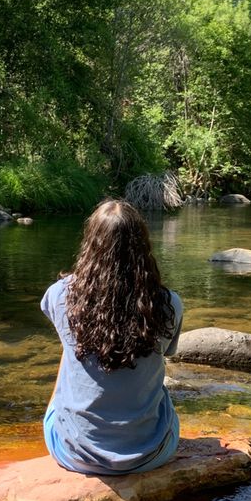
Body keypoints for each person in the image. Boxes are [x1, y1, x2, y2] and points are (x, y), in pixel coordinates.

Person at [40, 198, 183, 476]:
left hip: (73, 453)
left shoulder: (59, 296)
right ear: (143, 247)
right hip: (151, 454)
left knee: (72, 349)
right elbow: (165, 354)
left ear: (90, 244)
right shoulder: (168, 304)